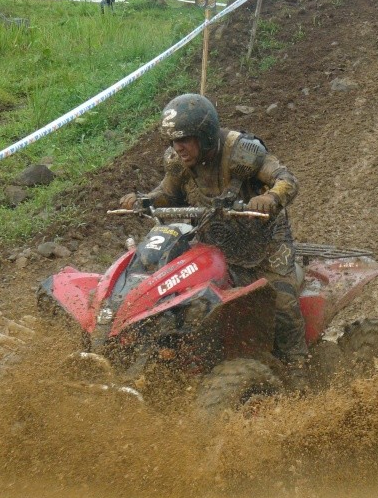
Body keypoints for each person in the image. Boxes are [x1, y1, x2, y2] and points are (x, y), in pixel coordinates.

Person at [119, 94, 309, 392]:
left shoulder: (242, 152)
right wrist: (144, 200)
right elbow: (166, 193)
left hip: (265, 246)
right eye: (172, 141)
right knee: (174, 296)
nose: (177, 147)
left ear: (205, 135)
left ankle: (300, 377)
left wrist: (270, 198)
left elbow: (287, 178)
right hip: (214, 245)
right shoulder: (178, 161)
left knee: (283, 305)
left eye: (184, 139)